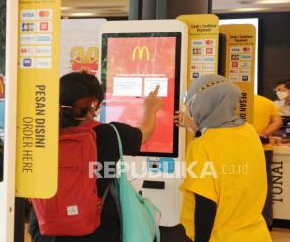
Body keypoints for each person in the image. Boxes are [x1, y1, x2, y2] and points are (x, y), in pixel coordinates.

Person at [29, 72, 163, 242]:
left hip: (46, 230)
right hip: (97, 231)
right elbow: (145, 133)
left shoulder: (40, 137)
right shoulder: (109, 134)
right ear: (94, 104)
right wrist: (150, 108)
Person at [178, 75, 271, 242]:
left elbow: (205, 205)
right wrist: (196, 129)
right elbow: (225, 150)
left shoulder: (201, 147)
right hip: (256, 234)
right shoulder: (250, 132)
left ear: (201, 104)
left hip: (220, 236)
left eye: (190, 103)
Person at [253, 94, 283, 229]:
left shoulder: (234, 101)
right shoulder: (267, 102)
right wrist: (263, 133)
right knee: (266, 185)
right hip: (264, 149)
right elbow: (278, 122)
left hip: (240, 148)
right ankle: (265, 221)